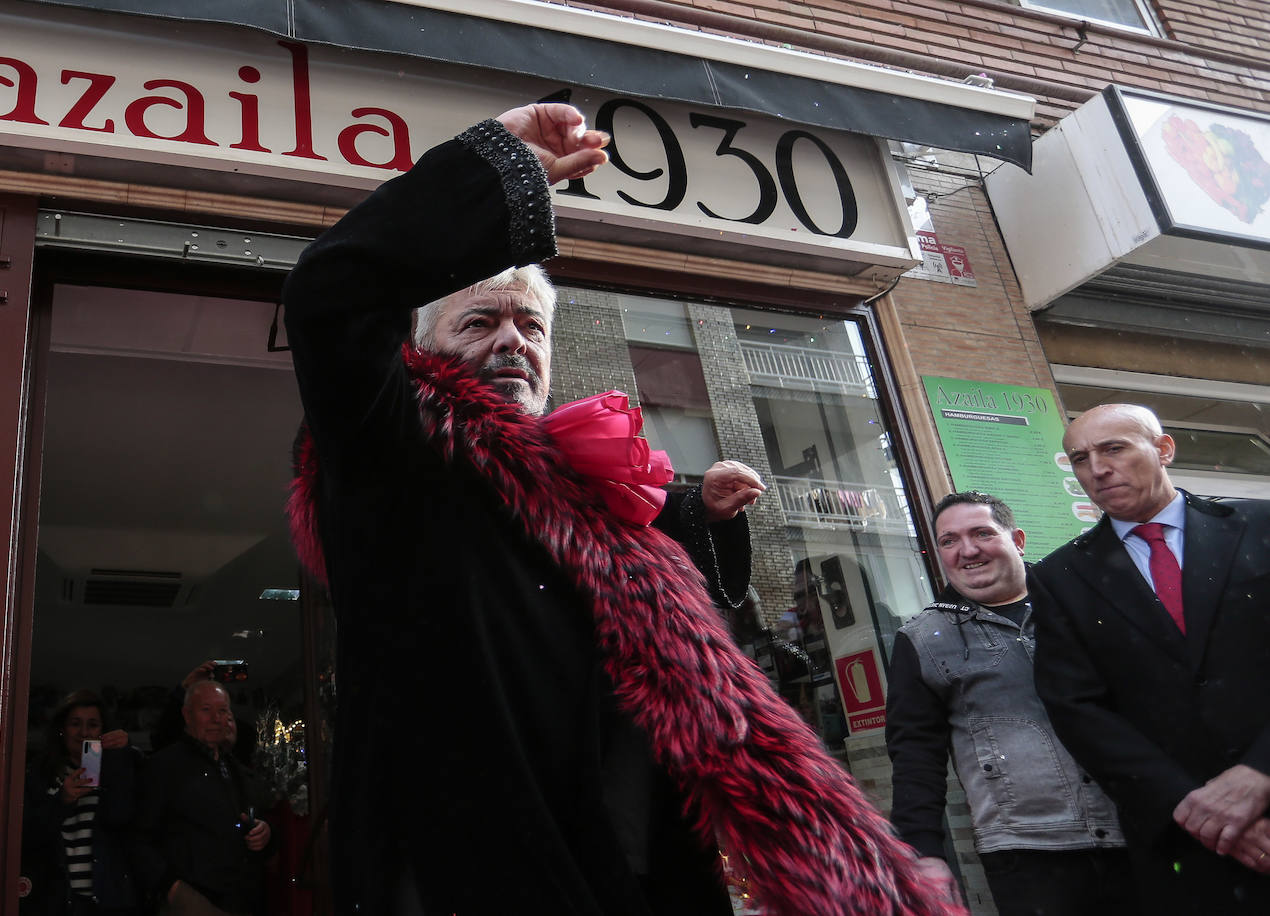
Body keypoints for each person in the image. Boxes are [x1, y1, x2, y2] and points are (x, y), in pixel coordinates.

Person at [281, 102, 957, 916]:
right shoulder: (391, 452)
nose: (512, 341)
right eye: (480, 320)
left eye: (531, 325)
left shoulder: (580, 489)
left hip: (633, 872)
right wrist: (488, 175)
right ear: (421, 348)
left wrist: (692, 517)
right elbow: (330, 293)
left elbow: (581, 599)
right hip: (470, 875)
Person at [1032, 403, 1270, 913]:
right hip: (1187, 847)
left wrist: (1259, 773)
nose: (1096, 469)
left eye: (1113, 448)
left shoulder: (1260, 526)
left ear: (1164, 449)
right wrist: (1191, 808)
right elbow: (1078, 709)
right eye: (1079, 458)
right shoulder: (1060, 578)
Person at [886, 492, 1132, 914]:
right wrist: (923, 852)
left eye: (982, 533)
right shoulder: (923, 639)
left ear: (1017, 539)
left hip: (1138, 829)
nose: (967, 550)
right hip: (1027, 851)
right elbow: (914, 755)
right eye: (949, 541)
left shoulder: (1080, 604)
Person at [132, 681, 272, 915]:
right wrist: (173, 888)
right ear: (187, 715)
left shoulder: (235, 769)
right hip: (191, 901)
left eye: (223, 710)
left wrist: (266, 833)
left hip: (240, 899)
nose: (217, 719)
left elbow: (256, 822)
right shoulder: (164, 766)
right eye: (206, 710)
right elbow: (138, 838)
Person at [20, 690, 141, 915]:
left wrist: (119, 758)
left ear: (103, 730)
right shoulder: (40, 774)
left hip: (108, 900)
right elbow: (28, 836)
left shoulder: (114, 771)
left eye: (93, 724)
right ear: (62, 729)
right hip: (56, 900)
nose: (84, 732)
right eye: (75, 723)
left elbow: (122, 818)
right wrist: (62, 800)